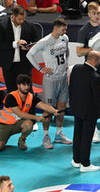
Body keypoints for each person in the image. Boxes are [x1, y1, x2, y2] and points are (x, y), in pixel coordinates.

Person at [26, 18, 72, 149]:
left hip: (63, 78)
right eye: (63, 29)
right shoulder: (45, 42)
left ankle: (59, 133)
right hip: (50, 80)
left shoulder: (65, 38)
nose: (65, 31)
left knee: (61, 107)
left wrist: (66, 62)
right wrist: (41, 69)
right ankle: (46, 136)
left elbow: (66, 51)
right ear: (55, 28)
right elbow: (29, 54)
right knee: (48, 109)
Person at [76, 1, 100, 143]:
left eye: (99, 13)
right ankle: (93, 129)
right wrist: (93, 48)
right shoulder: (84, 30)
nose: (97, 16)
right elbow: (79, 52)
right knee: (93, 98)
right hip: (92, 70)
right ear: (88, 14)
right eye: (94, 13)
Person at [0, 75, 61, 152]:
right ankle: (1, 136)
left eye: (28, 85)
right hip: (4, 124)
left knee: (29, 124)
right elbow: (20, 114)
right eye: (24, 85)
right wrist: (37, 117)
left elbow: (43, 105)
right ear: (18, 86)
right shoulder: (11, 97)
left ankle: (22, 139)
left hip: (19, 124)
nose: (27, 87)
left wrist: (54, 110)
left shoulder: (30, 97)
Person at [69, 51, 100, 172]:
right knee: (87, 137)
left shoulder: (76, 68)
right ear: (95, 61)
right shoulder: (95, 77)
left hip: (76, 108)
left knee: (78, 134)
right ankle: (85, 164)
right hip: (89, 112)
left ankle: (76, 160)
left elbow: (71, 87)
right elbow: (98, 99)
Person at [0, 5, 38, 93]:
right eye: (19, 19)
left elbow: (36, 41)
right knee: (12, 92)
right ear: (13, 16)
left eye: (23, 19)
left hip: (24, 64)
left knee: (27, 91)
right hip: (9, 65)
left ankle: (29, 107)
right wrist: (16, 44)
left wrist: (30, 47)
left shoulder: (29, 25)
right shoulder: (2, 25)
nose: (22, 21)